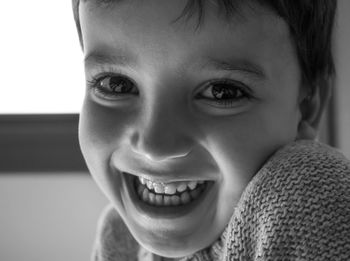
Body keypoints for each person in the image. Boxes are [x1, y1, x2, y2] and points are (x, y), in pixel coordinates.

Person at [72, 0, 350, 260]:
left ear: (307, 107)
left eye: (221, 92)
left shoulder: (308, 198)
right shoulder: (118, 237)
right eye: (115, 85)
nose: (155, 147)